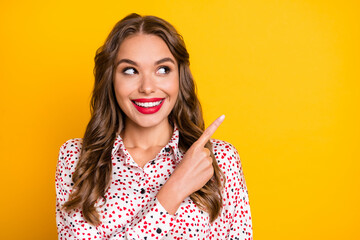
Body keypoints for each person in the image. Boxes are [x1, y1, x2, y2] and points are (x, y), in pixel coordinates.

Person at [55, 13, 252, 240]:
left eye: (162, 70)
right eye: (130, 71)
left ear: (180, 77)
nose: (147, 87)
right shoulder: (78, 158)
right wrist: (173, 192)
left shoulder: (221, 159)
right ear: (111, 79)